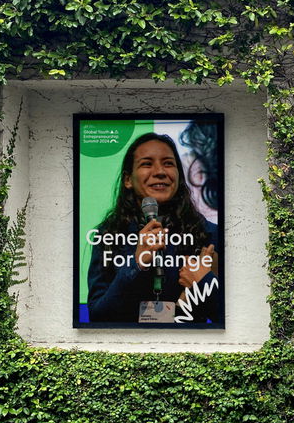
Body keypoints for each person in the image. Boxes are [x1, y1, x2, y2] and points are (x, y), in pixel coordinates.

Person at [87, 132, 220, 323]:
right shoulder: (109, 234)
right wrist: (136, 264)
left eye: (168, 163)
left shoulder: (209, 235)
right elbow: (98, 316)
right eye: (147, 164)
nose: (160, 171)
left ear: (179, 177)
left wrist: (204, 282)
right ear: (128, 180)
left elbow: (229, 319)